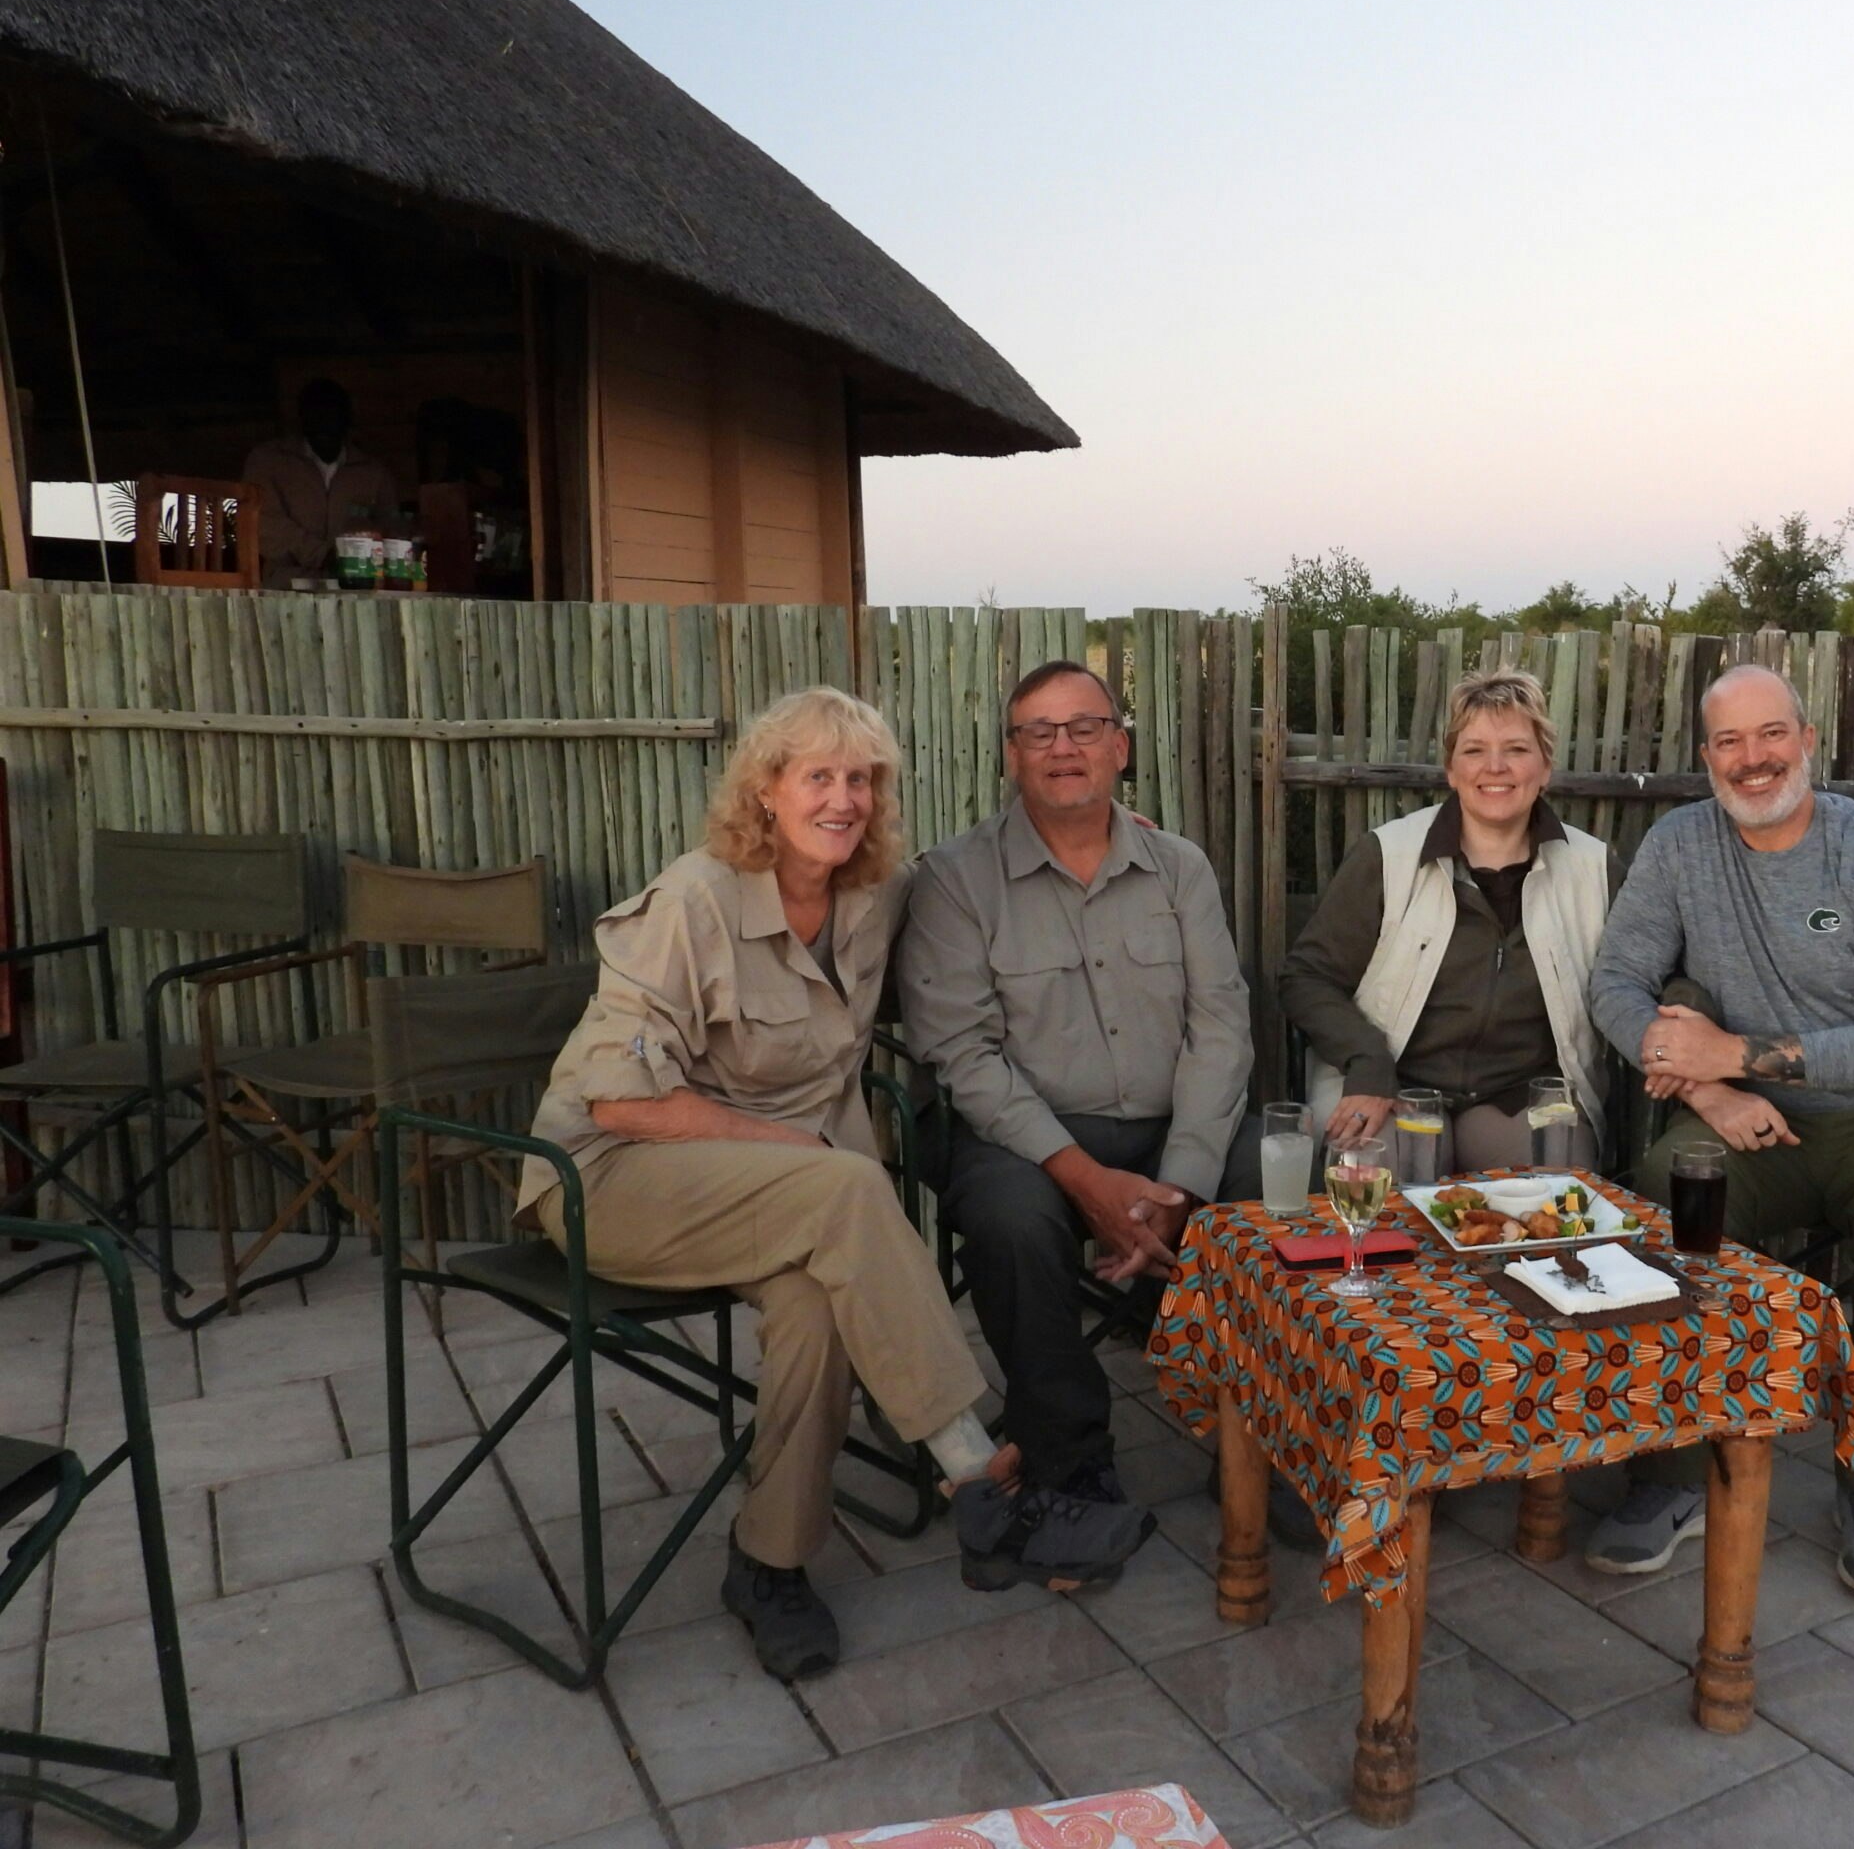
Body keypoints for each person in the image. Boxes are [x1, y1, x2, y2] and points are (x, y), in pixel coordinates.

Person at [519, 686, 1154, 1683]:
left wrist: (1104, 832)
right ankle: (976, 1474)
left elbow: (975, 890)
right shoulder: (692, 899)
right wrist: (796, 1153)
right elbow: (616, 1102)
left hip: (786, 1209)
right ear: (766, 790)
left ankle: (767, 1566)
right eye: (818, 775)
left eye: (861, 778)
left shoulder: (872, 899)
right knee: (853, 1185)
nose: (844, 797)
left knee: (817, 1305)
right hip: (614, 1180)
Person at [1583, 663, 1854, 1599]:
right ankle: (1670, 1471)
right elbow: (1616, 986)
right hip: (1749, 1120)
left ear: (1807, 742)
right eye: (1728, 741)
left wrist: (1737, 1056)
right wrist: (1711, 1093)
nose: (1752, 760)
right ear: (1707, 757)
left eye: (1770, 735)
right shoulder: (1681, 847)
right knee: (1667, 1187)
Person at [899, 659, 1256, 1537]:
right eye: (1038, 733)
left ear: (1120, 748)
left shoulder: (1180, 869)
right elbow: (962, 1053)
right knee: (1016, 1220)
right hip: (1025, 1136)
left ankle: (1268, 1443)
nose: (1063, 748)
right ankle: (1070, 1466)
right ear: (1011, 758)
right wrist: (1083, 1178)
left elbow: (1220, 1026)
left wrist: (1182, 1185)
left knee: (1292, 1182)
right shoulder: (953, 880)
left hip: (1174, 1131)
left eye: (1084, 727)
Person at [1280, 667, 1619, 1170]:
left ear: (1545, 767)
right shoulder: (1387, 856)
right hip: (1395, 1086)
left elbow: (1641, 974)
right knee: (1373, 1184)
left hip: (1521, 1096)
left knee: (1553, 1196)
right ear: (1452, 769)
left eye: (1517, 749)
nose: (1496, 767)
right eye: (1475, 750)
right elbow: (1306, 978)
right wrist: (1367, 1063)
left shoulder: (1595, 868)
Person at [240, 377, 402, 584]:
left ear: (347, 420)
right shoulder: (268, 461)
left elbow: (390, 527)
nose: (324, 424)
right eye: (316, 416)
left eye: (332, 416)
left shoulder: (373, 472)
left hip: (360, 584)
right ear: (301, 418)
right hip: (287, 585)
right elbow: (262, 524)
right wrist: (323, 555)